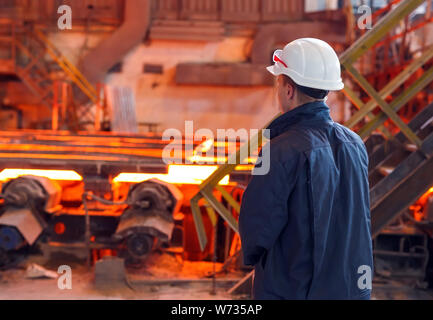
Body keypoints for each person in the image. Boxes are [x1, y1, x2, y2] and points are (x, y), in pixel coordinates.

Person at [239, 38, 373, 300]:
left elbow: (257, 229)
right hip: (349, 289)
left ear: (288, 90)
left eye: (278, 84)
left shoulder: (280, 150)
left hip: (292, 289)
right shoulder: (355, 143)